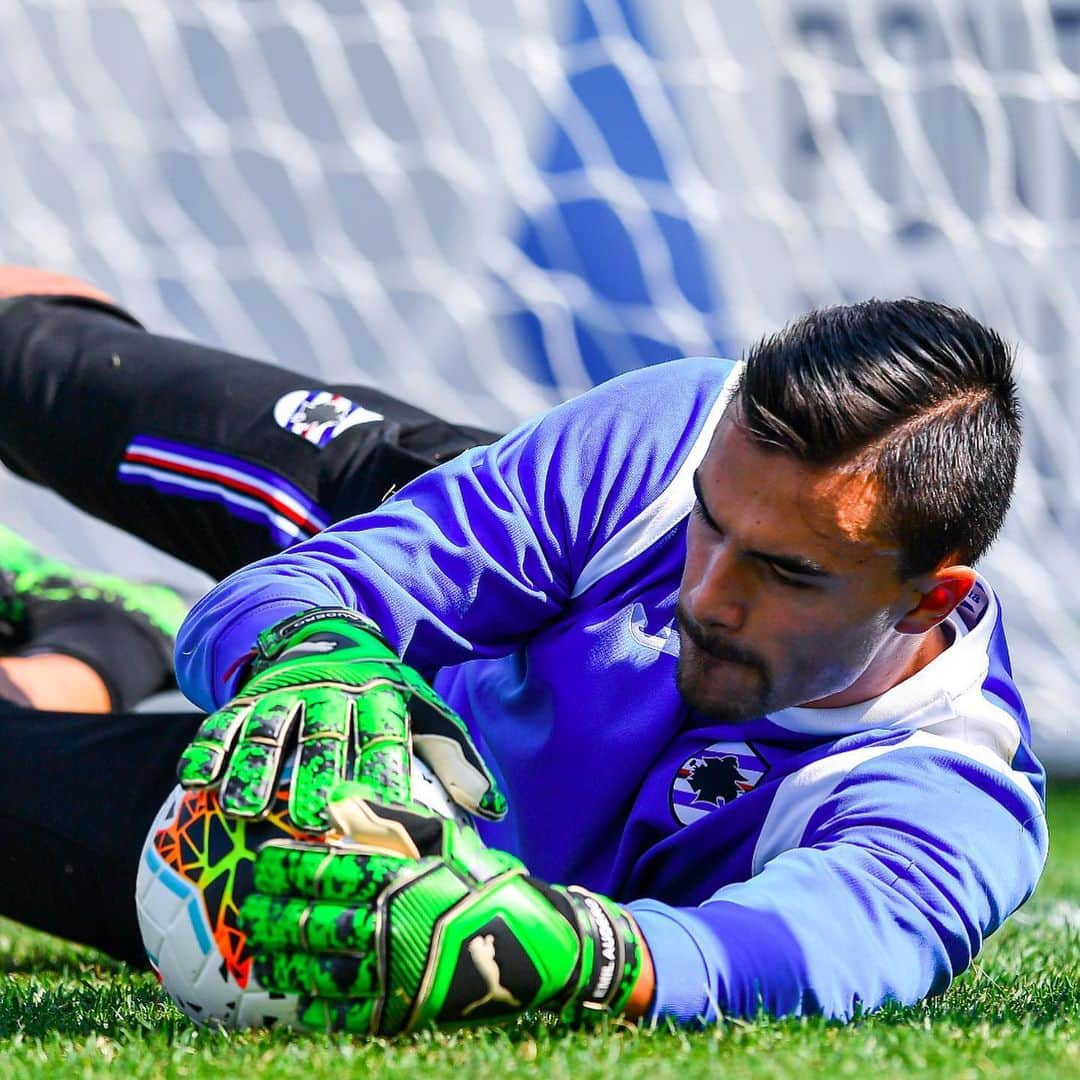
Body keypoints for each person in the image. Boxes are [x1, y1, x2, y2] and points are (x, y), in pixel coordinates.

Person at [0, 267, 1047, 1031]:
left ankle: (88, 640)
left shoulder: (952, 792)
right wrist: (318, 655)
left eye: (786, 570)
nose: (705, 593)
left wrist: (576, 952)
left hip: (383, 865)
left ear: (927, 599)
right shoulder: (669, 438)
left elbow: (804, 952)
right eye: (708, 523)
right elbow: (283, 596)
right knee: (35, 362)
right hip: (437, 578)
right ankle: (105, 631)